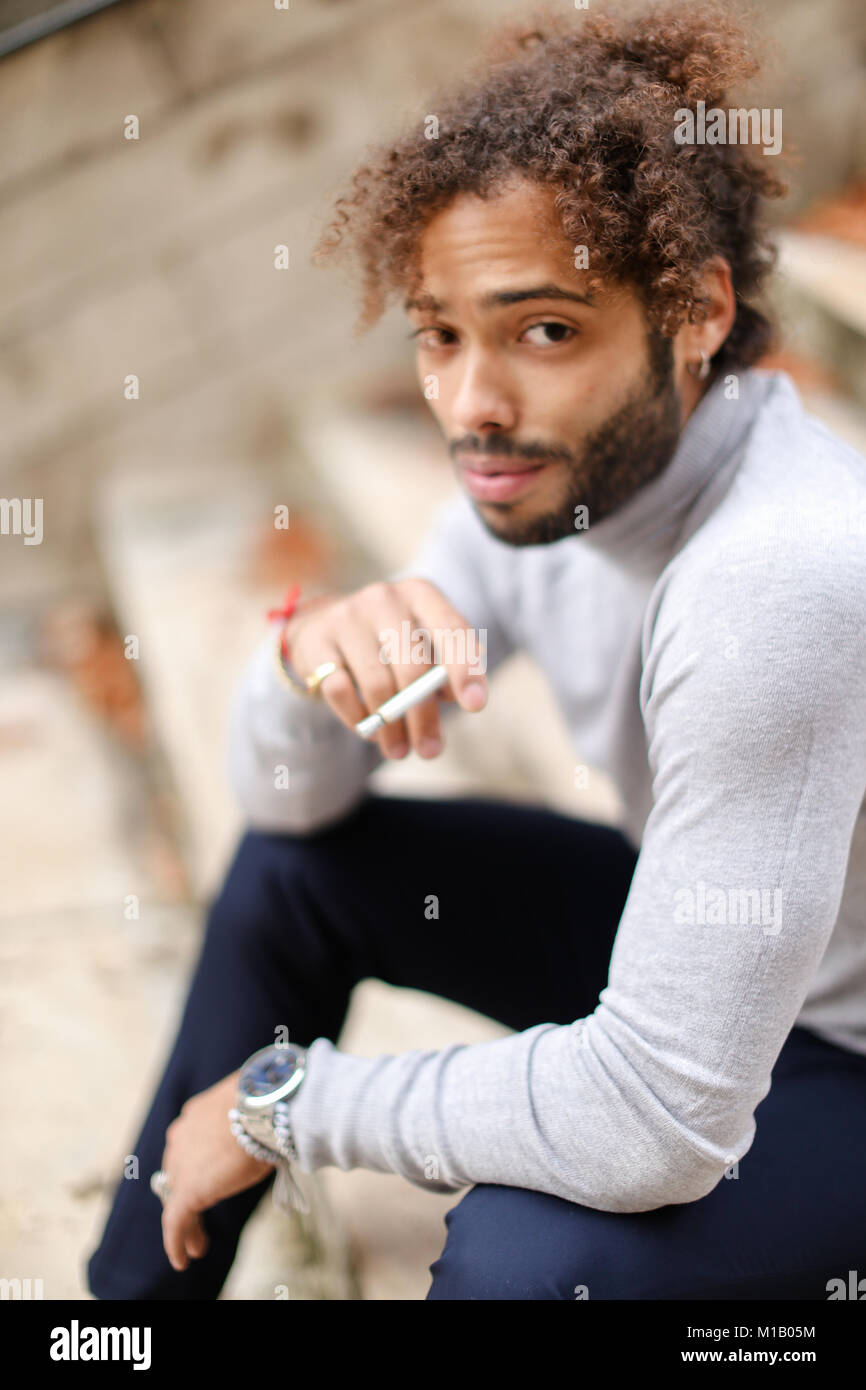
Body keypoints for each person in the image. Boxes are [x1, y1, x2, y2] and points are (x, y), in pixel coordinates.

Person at [87, 0, 866, 1300]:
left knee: (525, 1260)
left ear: (690, 311)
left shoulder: (777, 571)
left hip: (840, 1057)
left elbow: (657, 1115)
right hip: (724, 958)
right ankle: (118, 1323)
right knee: (298, 873)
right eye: (440, 334)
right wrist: (304, 671)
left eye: (542, 330)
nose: (470, 405)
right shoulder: (533, 484)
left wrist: (288, 1098)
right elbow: (292, 802)